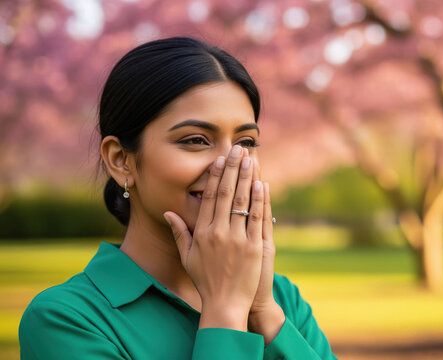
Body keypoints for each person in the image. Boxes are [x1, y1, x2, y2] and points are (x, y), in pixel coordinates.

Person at [19, 37, 337, 359]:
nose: (229, 163)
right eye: (196, 140)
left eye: (246, 142)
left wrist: (264, 313)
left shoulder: (281, 298)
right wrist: (225, 311)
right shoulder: (66, 320)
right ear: (120, 160)